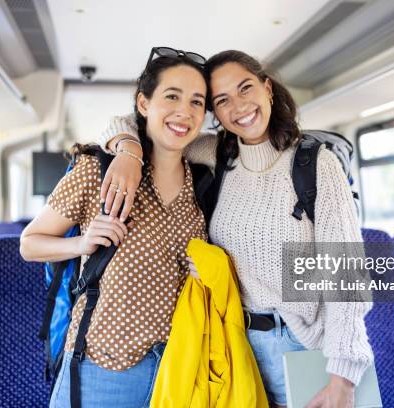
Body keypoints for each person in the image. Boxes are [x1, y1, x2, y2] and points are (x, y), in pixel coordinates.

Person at [97, 50, 374, 408]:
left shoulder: (317, 163)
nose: (239, 106)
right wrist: (129, 151)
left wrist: (343, 379)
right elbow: (142, 123)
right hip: (236, 346)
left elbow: (345, 279)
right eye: (222, 101)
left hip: (305, 347)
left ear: (268, 89)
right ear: (215, 114)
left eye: (245, 89)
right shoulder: (217, 155)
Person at [19, 47, 208, 407]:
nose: (185, 111)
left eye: (197, 102)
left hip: (181, 367)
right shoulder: (97, 171)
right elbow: (30, 243)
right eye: (172, 96)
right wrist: (81, 245)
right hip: (103, 365)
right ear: (143, 104)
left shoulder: (203, 182)